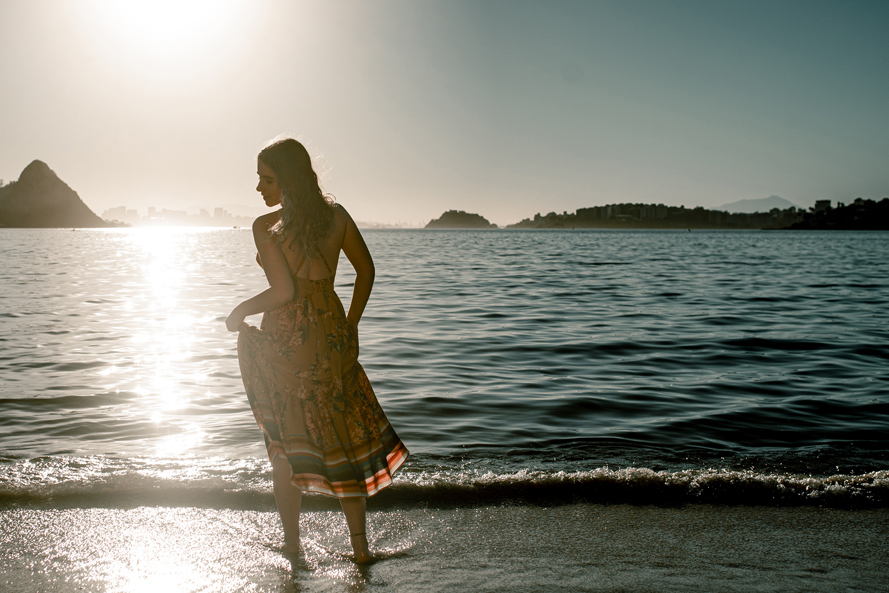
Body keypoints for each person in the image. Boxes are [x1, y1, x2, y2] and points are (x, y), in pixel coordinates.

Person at [225, 138, 409, 563]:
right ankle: (360, 548)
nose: (259, 188)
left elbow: (283, 292)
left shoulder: (266, 226)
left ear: (288, 180)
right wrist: (351, 324)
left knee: (286, 444)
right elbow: (366, 271)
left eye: (267, 179)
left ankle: (292, 545)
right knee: (341, 438)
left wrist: (240, 311)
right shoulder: (337, 216)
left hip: (287, 341)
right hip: (331, 336)